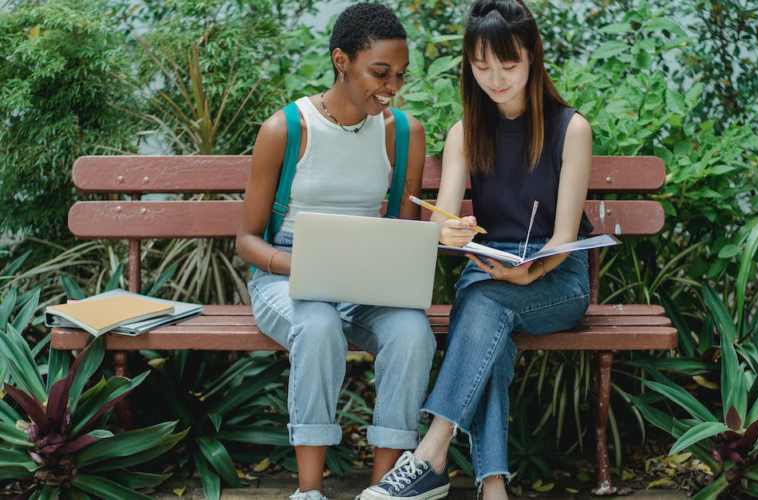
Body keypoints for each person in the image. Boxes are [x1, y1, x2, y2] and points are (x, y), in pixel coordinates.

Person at [359, 1, 594, 499]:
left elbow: (565, 238)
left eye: (507, 64)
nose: (495, 78)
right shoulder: (465, 133)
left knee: (482, 305)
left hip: (555, 278)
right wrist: (454, 230)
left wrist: (530, 274)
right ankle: (492, 485)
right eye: (481, 65)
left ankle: (430, 452)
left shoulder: (570, 129)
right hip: (489, 271)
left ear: (532, 56)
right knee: (490, 328)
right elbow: (443, 224)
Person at [235, 4, 435, 500]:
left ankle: (382, 490)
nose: (392, 86)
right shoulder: (286, 129)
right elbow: (247, 239)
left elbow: (403, 230)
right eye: (381, 72)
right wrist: (298, 265)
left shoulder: (404, 133)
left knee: (412, 334)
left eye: (400, 75)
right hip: (285, 273)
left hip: (365, 279)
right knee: (319, 325)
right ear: (341, 60)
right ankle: (309, 491)